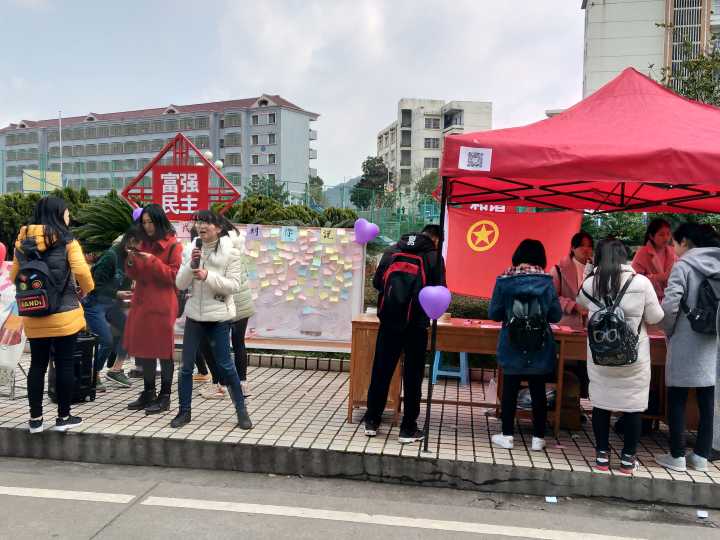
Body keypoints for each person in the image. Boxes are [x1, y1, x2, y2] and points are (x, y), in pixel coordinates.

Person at [578, 239, 663, 475]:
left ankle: (601, 457)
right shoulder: (641, 283)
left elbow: (579, 301)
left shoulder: (592, 283)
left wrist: (589, 272)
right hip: (633, 356)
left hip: (600, 356)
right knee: (633, 407)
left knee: (601, 404)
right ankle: (627, 460)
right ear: (625, 257)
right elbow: (656, 317)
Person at [10, 196, 94, 433]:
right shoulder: (67, 241)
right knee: (64, 363)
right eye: (67, 212)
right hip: (64, 315)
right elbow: (82, 273)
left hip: (34, 312)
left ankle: (35, 420)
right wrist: (86, 290)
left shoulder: (22, 243)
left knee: (37, 364)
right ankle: (63, 417)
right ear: (58, 214)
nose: (69, 216)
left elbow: (14, 276)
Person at [364, 224, 445, 444]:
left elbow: (377, 282)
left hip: (389, 321)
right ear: (436, 239)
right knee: (413, 376)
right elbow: (440, 290)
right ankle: (408, 428)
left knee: (381, 371)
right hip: (416, 326)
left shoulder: (392, 250)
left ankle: (372, 421)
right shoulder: (433, 257)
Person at [171, 210, 252, 430]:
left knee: (226, 365)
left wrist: (208, 276)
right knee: (186, 367)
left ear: (219, 228)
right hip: (195, 317)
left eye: (207, 222)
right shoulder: (191, 249)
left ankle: (241, 411)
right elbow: (180, 283)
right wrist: (191, 266)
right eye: (199, 222)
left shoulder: (231, 253)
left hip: (218, 317)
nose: (202, 226)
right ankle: (184, 412)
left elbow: (233, 285)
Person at [655, 223, 720, 472]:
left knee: (677, 397)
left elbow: (671, 305)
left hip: (685, 338)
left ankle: (677, 456)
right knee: (707, 398)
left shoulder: (683, 266)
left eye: (674, 243)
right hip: (711, 340)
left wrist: (667, 329)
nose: (673, 248)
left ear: (685, 242)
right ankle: (701, 456)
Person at [488, 239, 562, 451]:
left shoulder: (504, 280)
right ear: (541, 258)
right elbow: (555, 315)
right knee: (538, 390)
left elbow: (494, 313)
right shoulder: (546, 282)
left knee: (510, 389)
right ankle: (538, 438)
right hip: (540, 344)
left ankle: (507, 435)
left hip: (512, 342)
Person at [124, 204, 182, 415]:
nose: (147, 226)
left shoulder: (174, 245)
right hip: (142, 302)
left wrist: (153, 261)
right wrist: (130, 260)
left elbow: (174, 276)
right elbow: (134, 275)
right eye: (144, 222)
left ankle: (165, 396)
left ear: (159, 221)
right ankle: (149, 391)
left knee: (164, 351)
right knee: (145, 349)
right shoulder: (142, 243)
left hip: (162, 304)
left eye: (151, 222)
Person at [82, 226, 139, 391]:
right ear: (129, 242)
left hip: (111, 304)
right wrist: (117, 293)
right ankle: (93, 373)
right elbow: (94, 286)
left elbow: (126, 286)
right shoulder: (110, 257)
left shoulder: (130, 259)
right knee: (106, 341)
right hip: (94, 304)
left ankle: (115, 370)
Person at [550, 231, 593, 329]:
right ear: (573, 248)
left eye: (589, 246)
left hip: (591, 326)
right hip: (566, 325)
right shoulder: (558, 270)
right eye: (581, 245)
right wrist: (573, 306)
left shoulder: (597, 270)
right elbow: (551, 298)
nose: (586, 249)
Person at [632, 218, 677, 301]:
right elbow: (634, 278)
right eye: (661, 235)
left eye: (668, 234)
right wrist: (658, 277)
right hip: (648, 299)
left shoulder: (673, 251)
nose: (666, 238)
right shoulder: (642, 252)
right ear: (651, 236)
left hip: (671, 298)